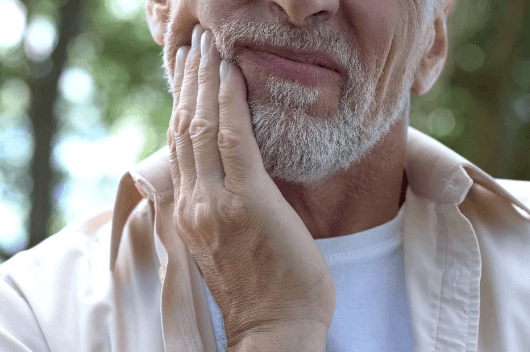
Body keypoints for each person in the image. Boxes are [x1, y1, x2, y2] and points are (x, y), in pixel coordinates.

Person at [1, 0, 530, 351]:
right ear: (162, 5)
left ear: (432, 41)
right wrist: (273, 328)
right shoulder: (34, 319)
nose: (300, 3)